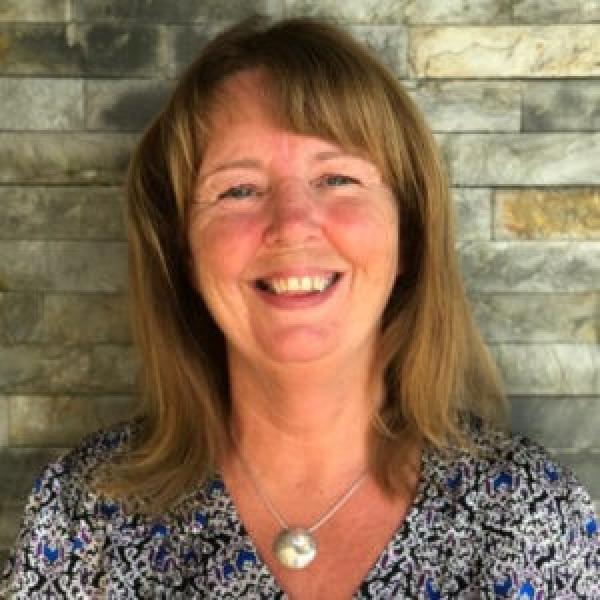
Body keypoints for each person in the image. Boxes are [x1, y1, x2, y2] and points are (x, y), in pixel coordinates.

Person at [1, 16, 598, 599]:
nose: (291, 225)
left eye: (337, 178)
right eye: (239, 190)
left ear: (409, 234)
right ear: (182, 250)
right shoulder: (85, 517)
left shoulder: (533, 518)